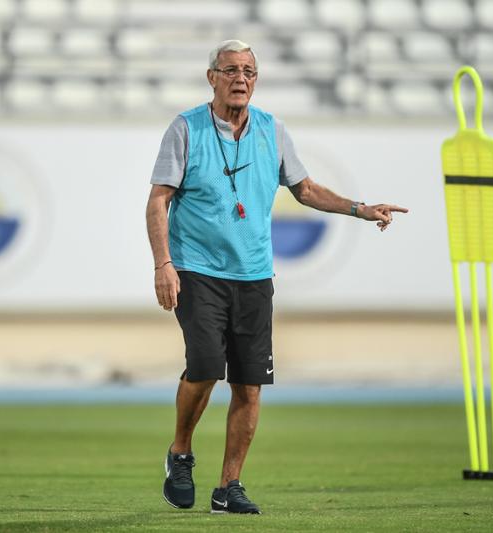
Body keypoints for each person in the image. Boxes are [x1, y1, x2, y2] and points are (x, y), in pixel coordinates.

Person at [145, 39, 408, 515]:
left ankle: (228, 487)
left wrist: (360, 209)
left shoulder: (272, 129)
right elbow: (158, 200)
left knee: (249, 385)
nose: (240, 79)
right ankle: (180, 453)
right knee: (205, 365)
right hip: (197, 269)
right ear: (211, 78)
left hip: (253, 275)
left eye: (248, 71)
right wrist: (164, 264)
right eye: (230, 70)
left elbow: (305, 189)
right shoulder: (186, 128)